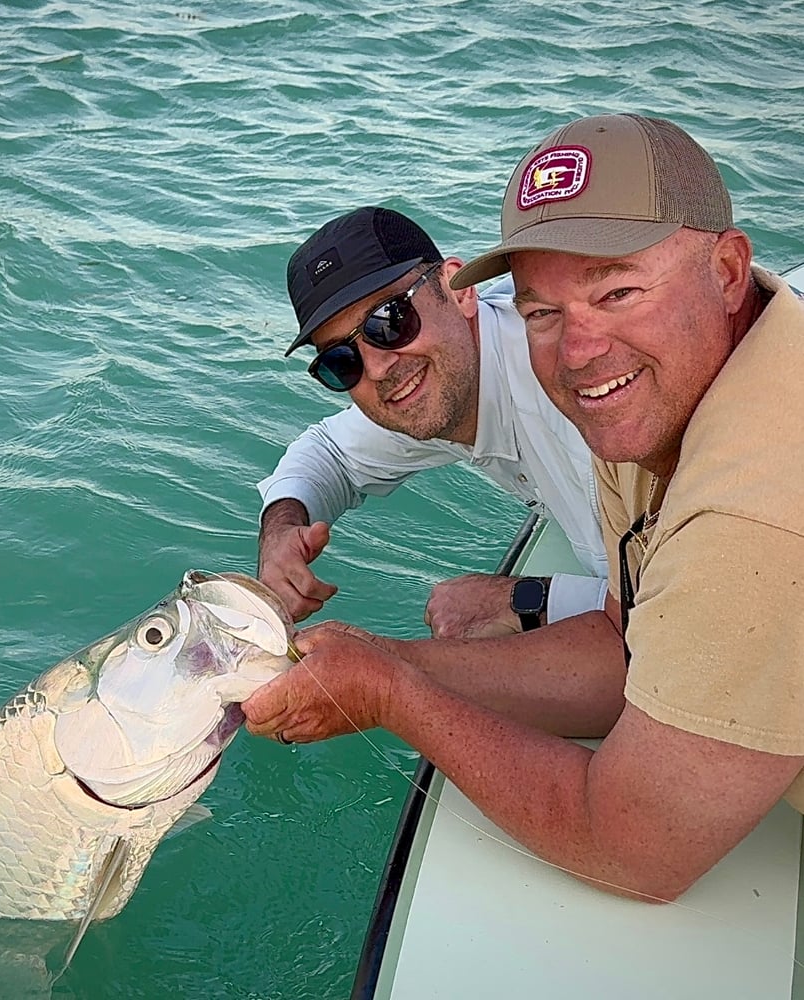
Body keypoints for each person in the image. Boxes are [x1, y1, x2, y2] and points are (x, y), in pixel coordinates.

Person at [243, 113, 804, 903]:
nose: (578, 350)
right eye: (341, 361)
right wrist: (298, 557)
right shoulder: (629, 408)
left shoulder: (734, 499)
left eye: (388, 320)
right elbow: (627, 635)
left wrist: (401, 683)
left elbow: (638, 852)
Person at [258, 205, 608, 639]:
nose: (378, 368)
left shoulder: (582, 398)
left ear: (459, 290)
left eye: (389, 321)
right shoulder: (444, 376)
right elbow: (328, 453)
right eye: (340, 360)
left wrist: (520, 600)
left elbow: (676, 609)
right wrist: (281, 530)